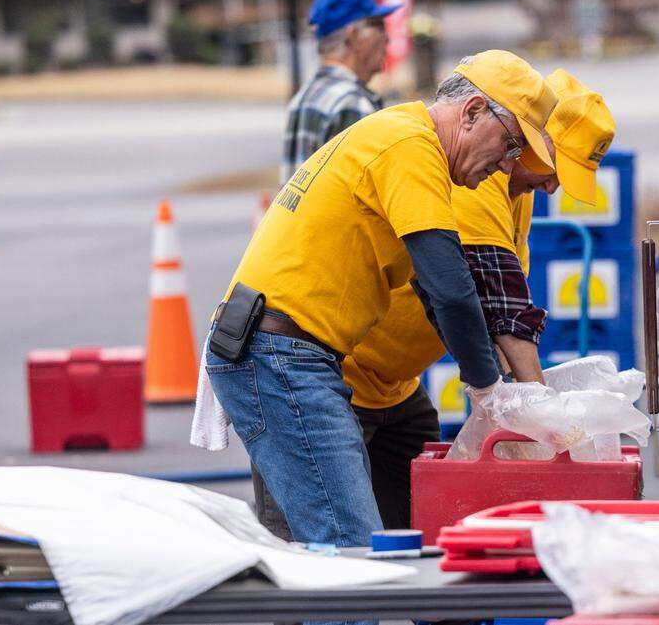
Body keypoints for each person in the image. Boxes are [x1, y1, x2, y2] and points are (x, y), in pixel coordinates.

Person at [201, 50, 557, 550]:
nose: (508, 164)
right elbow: (452, 291)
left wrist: (497, 386)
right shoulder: (411, 148)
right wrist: (488, 391)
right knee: (344, 544)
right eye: (511, 144)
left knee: (358, 542)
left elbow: (433, 292)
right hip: (279, 353)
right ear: (473, 111)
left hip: (287, 350)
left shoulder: (409, 143)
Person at [261, 69, 614, 531]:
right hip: (327, 372)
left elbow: (473, 305)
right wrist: (537, 415)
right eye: (554, 170)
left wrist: (512, 396)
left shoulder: (508, 182)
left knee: (427, 533)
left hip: (394, 384)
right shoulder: (466, 170)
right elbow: (489, 303)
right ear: (529, 139)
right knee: (330, 542)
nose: (553, 187)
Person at [282, 0, 399, 181]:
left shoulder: (304, 98)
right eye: (378, 25)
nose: (387, 38)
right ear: (353, 35)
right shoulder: (352, 103)